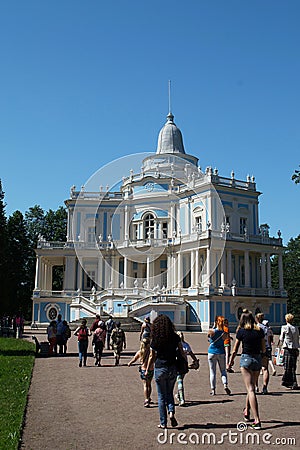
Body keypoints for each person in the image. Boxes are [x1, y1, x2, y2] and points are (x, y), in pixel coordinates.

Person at [228, 311, 266, 430]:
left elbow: (235, 349)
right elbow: (264, 348)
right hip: (257, 360)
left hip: (246, 360)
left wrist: (230, 362)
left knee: (250, 390)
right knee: (251, 388)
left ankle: (257, 420)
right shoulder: (259, 331)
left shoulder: (241, 332)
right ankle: (247, 411)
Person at [145, 314, 181, 429]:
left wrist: (147, 369)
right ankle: (171, 412)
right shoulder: (175, 337)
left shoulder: (156, 339)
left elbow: (152, 356)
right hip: (172, 367)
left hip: (160, 367)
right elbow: (182, 352)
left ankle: (163, 422)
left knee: (161, 396)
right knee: (169, 393)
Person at [207, 315, 231, 396]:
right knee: (223, 371)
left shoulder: (212, 331)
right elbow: (225, 339)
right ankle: (225, 384)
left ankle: (213, 390)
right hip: (221, 352)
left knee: (212, 372)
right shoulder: (224, 332)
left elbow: (208, 338)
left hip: (211, 352)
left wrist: (214, 326)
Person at [128, 337, 154, 407]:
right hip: (151, 369)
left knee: (145, 385)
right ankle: (148, 397)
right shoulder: (151, 351)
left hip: (143, 369)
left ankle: (146, 399)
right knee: (149, 384)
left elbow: (134, 358)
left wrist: (130, 363)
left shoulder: (140, 352)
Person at [175, 331, 199, 406]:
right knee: (180, 380)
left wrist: (195, 361)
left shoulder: (184, 345)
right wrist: (195, 361)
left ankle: (179, 396)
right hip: (180, 364)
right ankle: (181, 398)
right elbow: (191, 354)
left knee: (180, 380)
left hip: (182, 364)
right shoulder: (184, 345)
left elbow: (191, 354)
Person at [278, 313, 299, 390]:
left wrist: (279, 346)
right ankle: (292, 382)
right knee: (293, 366)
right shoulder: (295, 328)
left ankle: (288, 381)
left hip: (287, 348)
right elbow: (297, 338)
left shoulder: (284, 327)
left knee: (287, 366)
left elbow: (281, 338)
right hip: (294, 348)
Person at [256, 313, 270, 394]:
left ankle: (256, 386)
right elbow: (268, 339)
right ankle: (265, 387)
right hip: (266, 347)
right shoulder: (266, 328)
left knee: (256, 369)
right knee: (265, 368)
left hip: (258, 348)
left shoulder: (256, 327)